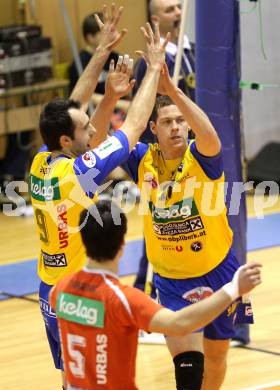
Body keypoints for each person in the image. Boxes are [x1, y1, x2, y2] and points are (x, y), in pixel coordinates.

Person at [29, 3, 169, 385]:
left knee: (71, 377)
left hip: (49, 289)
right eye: (84, 127)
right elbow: (136, 125)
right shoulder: (78, 173)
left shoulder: (43, 162)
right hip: (81, 289)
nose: (90, 125)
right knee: (103, 373)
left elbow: (73, 106)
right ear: (65, 140)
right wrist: (154, 69)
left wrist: (101, 53)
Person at [123, 64, 255, 390]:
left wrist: (175, 93)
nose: (176, 127)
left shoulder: (203, 157)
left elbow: (210, 135)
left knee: (217, 356)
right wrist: (115, 96)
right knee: (187, 371)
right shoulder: (142, 159)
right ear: (153, 127)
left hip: (220, 269)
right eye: (167, 121)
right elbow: (104, 141)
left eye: (181, 120)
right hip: (171, 280)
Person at [49, 199, 262, 390]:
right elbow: (180, 323)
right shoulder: (123, 299)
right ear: (123, 244)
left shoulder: (59, 291)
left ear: (83, 241)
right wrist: (233, 288)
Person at [133, 0, 195, 292]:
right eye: (171, 10)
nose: (179, 13)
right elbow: (148, 113)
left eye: (179, 7)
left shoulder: (191, 50)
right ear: (156, 18)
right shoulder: (149, 62)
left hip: (192, 152)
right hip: (162, 158)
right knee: (161, 224)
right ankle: (146, 288)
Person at [69, 12, 119, 95]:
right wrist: (119, 103)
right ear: (90, 38)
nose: (111, 36)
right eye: (105, 32)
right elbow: (80, 96)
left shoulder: (114, 56)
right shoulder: (80, 63)